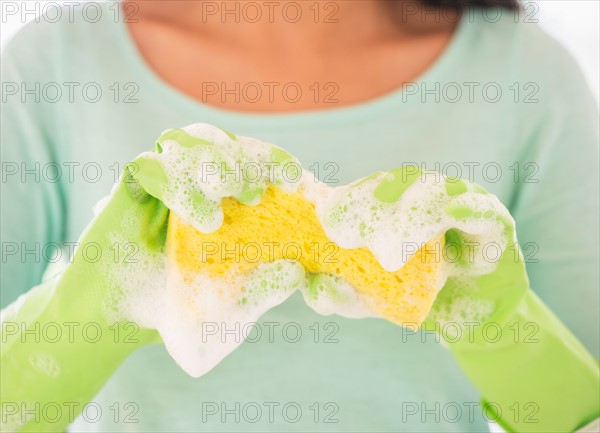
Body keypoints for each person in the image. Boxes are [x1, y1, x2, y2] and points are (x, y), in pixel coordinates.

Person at [1, 0, 598, 431]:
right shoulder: (55, 63)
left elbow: (580, 413)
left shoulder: (528, 77)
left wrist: (500, 329)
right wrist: (86, 318)